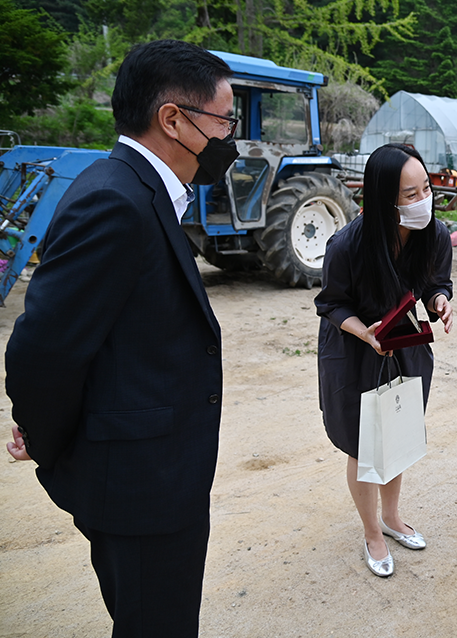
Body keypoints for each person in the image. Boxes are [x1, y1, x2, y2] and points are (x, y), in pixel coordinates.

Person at [5, 39, 239, 638]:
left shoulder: (139, 189)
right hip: (142, 489)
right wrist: (50, 439)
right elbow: (43, 350)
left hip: (157, 476)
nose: (229, 137)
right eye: (224, 120)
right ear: (173, 120)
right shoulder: (117, 200)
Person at [314, 143, 453, 577]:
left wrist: (440, 300)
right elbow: (332, 304)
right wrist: (366, 332)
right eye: (410, 195)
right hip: (356, 348)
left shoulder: (436, 233)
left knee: (396, 435)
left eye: (426, 188)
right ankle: (372, 531)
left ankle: (393, 519)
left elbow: (436, 281)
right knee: (363, 444)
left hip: (405, 344)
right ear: (383, 201)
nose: (423, 200)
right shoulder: (347, 246)